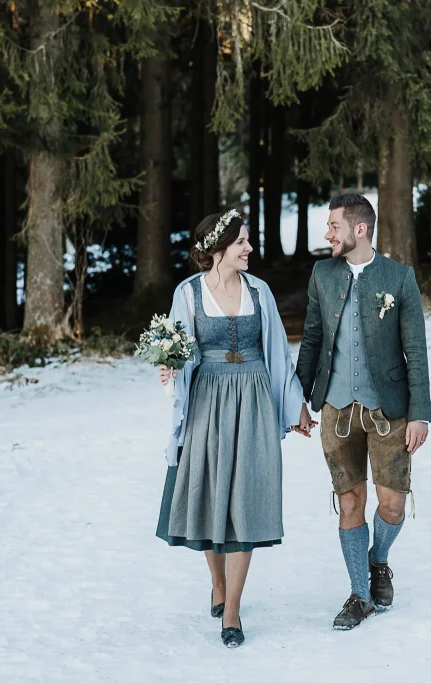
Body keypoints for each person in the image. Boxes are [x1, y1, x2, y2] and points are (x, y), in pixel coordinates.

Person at [155, 209, 316, 648]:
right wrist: (168, 369)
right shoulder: (187, 294)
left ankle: (232, 610)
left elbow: (279, 354)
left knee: (246, 495)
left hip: (254, 401)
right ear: (219, 248)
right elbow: (178, 349)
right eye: (242, 242)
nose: (249, 249)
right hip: (207, 400)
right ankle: (217, 581)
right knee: (210, 493)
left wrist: (295, 406)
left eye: (247, 241)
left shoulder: (259, 292)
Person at [295, 193, 431, 630]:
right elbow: (312, 338)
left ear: (360, 229)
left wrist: (420, 413)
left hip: (388, 409)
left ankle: (378, 559)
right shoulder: (322, 274)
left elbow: (416, 349)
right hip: (335, 408)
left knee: (392, 502)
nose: (326, 234)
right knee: (350, 499)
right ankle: (359, 594)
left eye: (333, 226)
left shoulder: (399, 277)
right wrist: (297, 397)